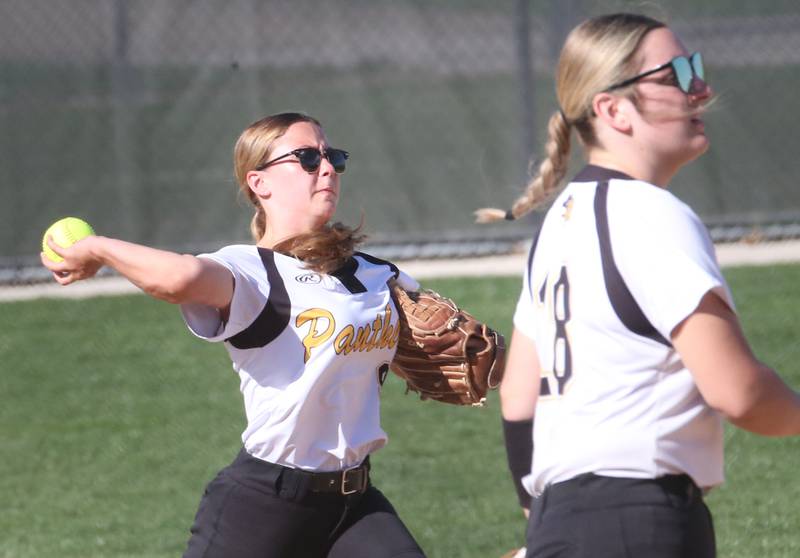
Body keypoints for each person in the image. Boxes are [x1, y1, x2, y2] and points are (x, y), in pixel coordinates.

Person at [476, 13, 800, 558]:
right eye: (675, 74)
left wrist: (548, 522)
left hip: (568, 518)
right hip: (640, 523)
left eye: (693, 68)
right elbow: (738, 392)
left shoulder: (560, 220)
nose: (700, 89)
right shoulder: (649, 213)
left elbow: (517, 393)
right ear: (612, 109)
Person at [41, 112, 427, 558]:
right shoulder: (251, 272)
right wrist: (99, 248)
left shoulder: (375, 273)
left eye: (331, 157)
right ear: (259, 183)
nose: (325, 168)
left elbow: (458, 340)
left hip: (354, 505)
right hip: (265, 506)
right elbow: (181, 278)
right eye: (305, 157)